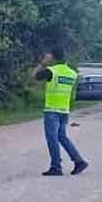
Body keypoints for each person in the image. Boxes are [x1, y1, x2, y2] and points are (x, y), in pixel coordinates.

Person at [32, 48, 88, 177]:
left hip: (52, 110)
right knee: (62, 137)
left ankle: (56, 166)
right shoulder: (72, 73)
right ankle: (79, 161)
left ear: (52, 57)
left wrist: (42, 63)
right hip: (64, 110)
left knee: (52, 138)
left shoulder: (51, 71)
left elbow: (33, 78)